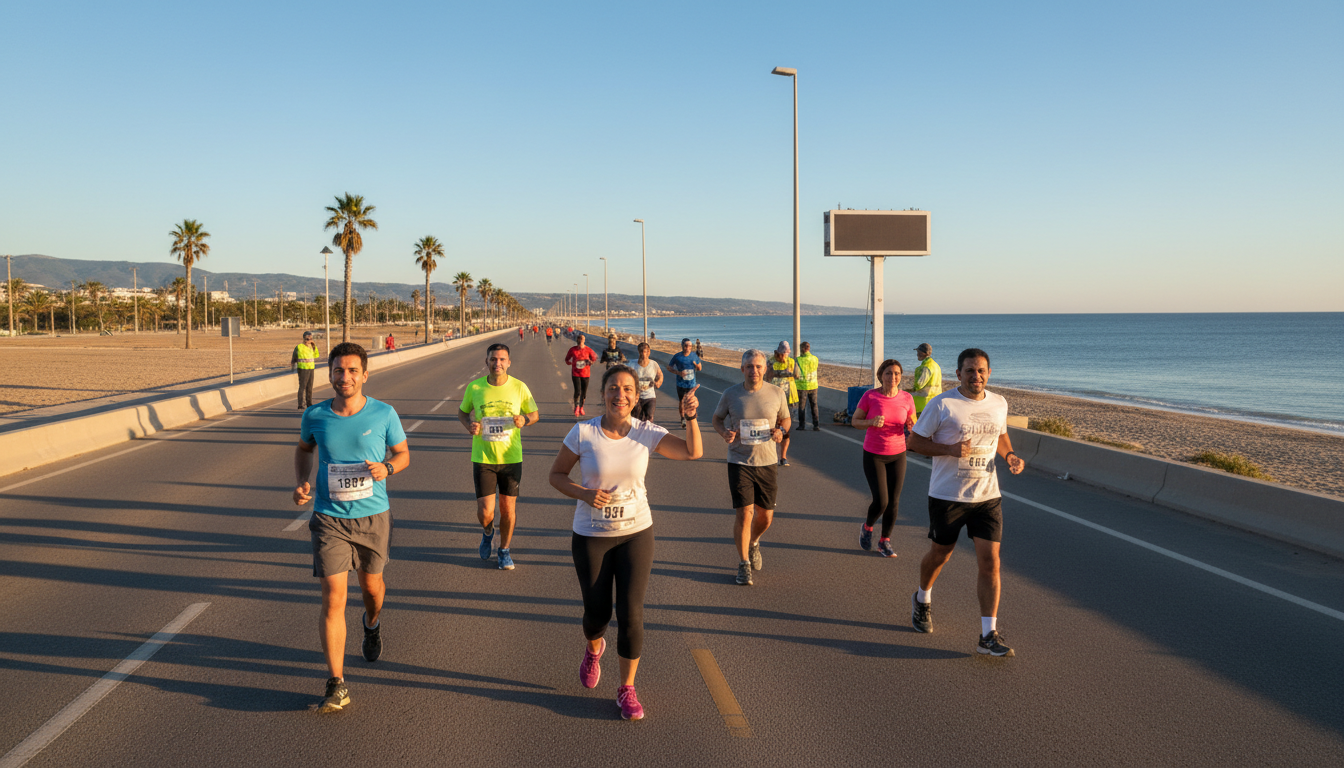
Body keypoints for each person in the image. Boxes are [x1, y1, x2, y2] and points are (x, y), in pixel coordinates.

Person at [548, 366, 702, 720]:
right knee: (597, 615)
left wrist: (690, 418)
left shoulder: (647, 433)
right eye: (614, 388)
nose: (621, 395)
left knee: (631, 613)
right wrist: (585, 494)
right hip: (591, 535)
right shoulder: (583, 432)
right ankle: (593, 647)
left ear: (637, 395)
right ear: (602, 393)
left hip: (636, 532)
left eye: (628, 389)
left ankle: (627, 688)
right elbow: (556, 475)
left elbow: (692, 453)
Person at [292, 342, 410, 713]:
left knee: (371, 588)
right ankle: (336, 682)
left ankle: (372, 623)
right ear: (329, 374)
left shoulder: (384, 413)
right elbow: (304, 449)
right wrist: (302, 482)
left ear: (365, 375)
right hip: (329, 518)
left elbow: (404, 454)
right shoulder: (315, 416)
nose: (345, 377)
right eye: (338, 371)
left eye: (352, 371)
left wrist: (387, 468)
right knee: (333, 598)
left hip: (374, 517)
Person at [906, 348, 1026, 657]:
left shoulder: (999, 403)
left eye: (982, 370)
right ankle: (922, 598)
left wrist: (1009, 454)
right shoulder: (943, 404)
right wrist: (949, 449)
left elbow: (1000, 435)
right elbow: (915, 442)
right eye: (970, 370)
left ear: (989, 373)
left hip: (987, 495)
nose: (977, 376)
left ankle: (988, 635)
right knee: (940, 555)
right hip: (948, 495)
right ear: (958, 374)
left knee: (991, 562)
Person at [458, 343, 540, 570]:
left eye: (502, 359)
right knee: (486, 512)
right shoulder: (475, 388)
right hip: (483, 458)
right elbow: (462, 412)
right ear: (486, 361)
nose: (498, 363)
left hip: (511, 458)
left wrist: (525, 420)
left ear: (509, 362)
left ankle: (504, 551)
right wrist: (469, 426)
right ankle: (487, 532)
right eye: (493, 359)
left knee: (507, 510)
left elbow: (534, 414)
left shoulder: (519, 387)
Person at [712, 350, 790, 587]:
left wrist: (781, 431)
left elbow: (786, 419)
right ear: (742, 368)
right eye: (749, 366)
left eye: (758, 366)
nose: (753, 370)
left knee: (765, 517)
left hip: (767, 463)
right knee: (744, 514)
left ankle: (754, 542)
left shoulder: (776, 393)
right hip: (739, 461)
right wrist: (724, 432)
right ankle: (743, 563)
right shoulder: (730, 394)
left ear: (765, 369)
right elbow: (717, 419)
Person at [852, 359, 917, 558]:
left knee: (894, 502)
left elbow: (913, 423)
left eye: (897, 373)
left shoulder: (907, 398)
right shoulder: (870, 396)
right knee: (881, 501)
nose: (893, 377)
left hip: (898, 454)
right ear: (881, 375)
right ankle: (868, 526)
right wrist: (871, 422)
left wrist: (912, 427)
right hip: (874, 454)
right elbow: (855, 421)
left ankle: (884, 541)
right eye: (888, 373)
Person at [765, 342, 800, 466]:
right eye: (784, 353)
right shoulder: (770, 361)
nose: (786, 355)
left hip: (789, 398)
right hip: (772, 399)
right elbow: (767, 377)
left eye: (787, 353)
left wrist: (786, 372)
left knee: (785, 429)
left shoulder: (791, 362)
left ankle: (783, 457)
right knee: (771, 428)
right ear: (779, 352)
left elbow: (797, 375)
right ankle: (771, 455)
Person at [667, 338, 702, 427]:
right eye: (686, 346)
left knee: (691, 401)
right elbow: (669, 367)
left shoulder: (694, 356)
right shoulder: (677, 356)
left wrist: (697, 365)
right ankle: (683, 418)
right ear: (682, 346)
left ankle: (693, 417)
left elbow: (700, 368)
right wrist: (678, 373)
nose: (688, 347)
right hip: (680, 384)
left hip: (691, 384)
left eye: (690, 346)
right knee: (682, 401)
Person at [565, 333, 599, 417]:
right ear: (577, 340)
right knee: (577, 391)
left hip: (586, 374)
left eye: (582, 339)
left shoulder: (588, 350)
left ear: (584, 341)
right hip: (575, 373)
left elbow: (594, 358)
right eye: (579, 339)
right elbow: (567, 359)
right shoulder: (573, 350)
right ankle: (576, 407)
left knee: (584, 393)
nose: (581, 341)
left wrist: (590, 362)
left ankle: (581, 407)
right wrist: (571, 363)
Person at [907, 343, 942, 417]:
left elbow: (919, 385)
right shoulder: (935, 365)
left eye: (918, 352)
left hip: (922, 405)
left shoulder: (925, 367)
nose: (917, 354)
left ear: (922, 353)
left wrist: (906, 391)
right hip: (935, 402)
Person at [632, 342, 663, 422]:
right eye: (641, 351)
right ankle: (636, 433)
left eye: (645, 351)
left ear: (649, 352)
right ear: (638, 352)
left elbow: (660, 374)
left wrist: (659, 381)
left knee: (649, 418)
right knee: (636, 419)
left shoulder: (653, 364)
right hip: (636, 397)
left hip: (650, 396)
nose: (643, 354)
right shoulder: (632, 364)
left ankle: (648, 433)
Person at [795, 341, 821, 431]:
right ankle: (816, 425)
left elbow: (796, 373)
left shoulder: (798, 360)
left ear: (802, 349)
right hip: (813, 384)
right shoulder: (815, 359)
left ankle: (802, 425)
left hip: (802, 386)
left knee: (802, 406)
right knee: (814, 405)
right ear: (809, 348)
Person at [291, 330, 320, 409]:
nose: (309, 341)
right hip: (303, 368)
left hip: (311, 368)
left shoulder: (312, 346)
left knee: (310, 387)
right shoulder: (300, 347)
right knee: (303, 386)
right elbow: (298, 355)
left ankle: (309, 403)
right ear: (303, 339)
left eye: (310, 339)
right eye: (307, 339)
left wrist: (314, 346)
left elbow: (316, 355)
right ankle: (300, 404)